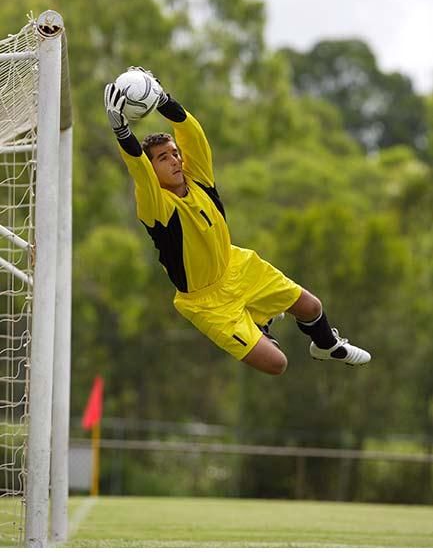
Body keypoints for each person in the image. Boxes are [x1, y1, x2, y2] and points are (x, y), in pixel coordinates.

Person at [104, 69, 371, 375]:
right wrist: (122, 131)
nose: (175, 160)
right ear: (153, 170)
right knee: (277, 364)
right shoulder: (157, 205)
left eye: (175, 154)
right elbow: (139, 170)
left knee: (312, 307)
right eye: (164, 158)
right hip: (207, 303)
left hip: (237, 266)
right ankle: (259, 321)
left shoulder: (199, 180)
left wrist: (164, 101)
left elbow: (192, 135)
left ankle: (326, 346)